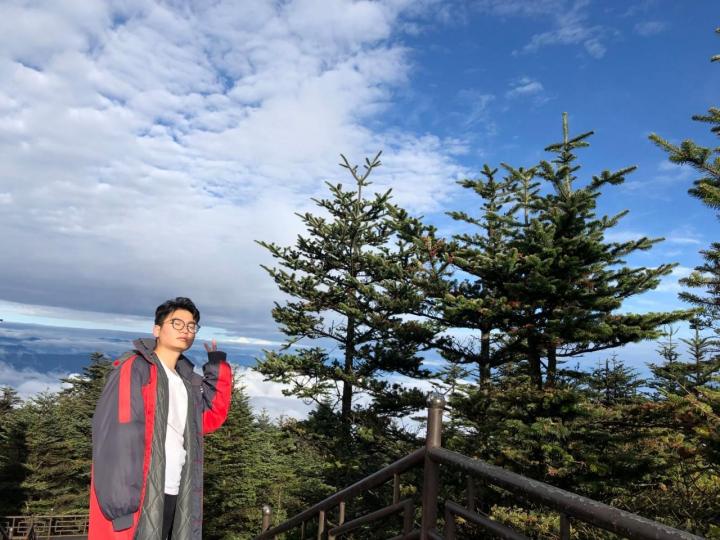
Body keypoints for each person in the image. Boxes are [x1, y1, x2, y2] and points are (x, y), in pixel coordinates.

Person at [88, 297, 232, 540]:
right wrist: (121, 506)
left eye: (191, 326)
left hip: (177, 489)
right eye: (177, 323)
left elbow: (208, 418)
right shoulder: (135, 368)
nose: (186, 330)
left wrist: (217, 366)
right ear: (157, 329)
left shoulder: (186, 380)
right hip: (138, 496)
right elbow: (116, 434)